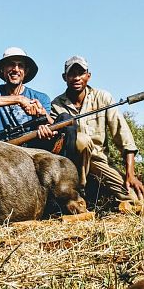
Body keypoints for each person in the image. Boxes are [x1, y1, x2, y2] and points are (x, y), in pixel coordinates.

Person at [51, 55, 144, 202]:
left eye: (80, 73)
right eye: (71, 74)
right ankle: (78, 188)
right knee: (81, 140)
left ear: (88, 76)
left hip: (98, 161)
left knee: (134, 198)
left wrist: (130, 174)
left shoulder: (103, 97)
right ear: (65, 77)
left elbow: (124, 137)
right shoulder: (57, 104)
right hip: (71, 163)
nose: (76, 78)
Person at [0, 47, 76, 159]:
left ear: (25, 71)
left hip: (34, 149)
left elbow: (47, 124)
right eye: (11, 64)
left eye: (20, 65)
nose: (15, 69)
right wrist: (19, 99)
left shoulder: (41, 97)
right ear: (3, 69)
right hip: (3, 147)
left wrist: (43, 116)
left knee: (66, 119)